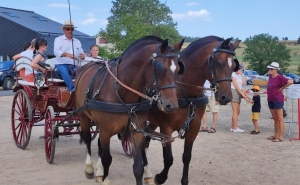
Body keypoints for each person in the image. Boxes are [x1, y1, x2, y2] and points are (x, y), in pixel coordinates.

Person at [54, 20, 85, 92]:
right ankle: (72, 90)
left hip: (73, 65)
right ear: (64, 29)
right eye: (68, 29)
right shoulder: (58, 40)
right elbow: (56, 52)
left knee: (83, 70)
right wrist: (67, 54)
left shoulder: (77, 41)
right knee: (64, 71)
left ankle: (84, 89)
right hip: (61, 64)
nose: (70, 31)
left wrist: (82, 56)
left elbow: (82, 53)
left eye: (72, 29)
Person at [266, 62, 293, 142]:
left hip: (277, 99)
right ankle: (276, 135)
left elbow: (290, 82)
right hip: (270, 99)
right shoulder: (270, 76)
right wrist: (269, 72)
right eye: (269, 69)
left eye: (271, 69)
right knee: (275, 119)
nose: (269, 70)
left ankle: (281, 136)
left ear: (276, 70)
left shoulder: (280, 77)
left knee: (280, 118)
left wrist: (283, 87)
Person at [230, 64, 248, 132]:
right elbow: (236, 85)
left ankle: (232, 126)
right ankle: (235, 127)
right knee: (235, 111)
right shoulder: (233, 74)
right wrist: (242, 94)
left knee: (238, 111)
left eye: (240, 68)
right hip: (234, 91)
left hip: (238, 91)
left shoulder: (239, 74)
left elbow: (244, 83)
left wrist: (241, 74)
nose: (238, 69)